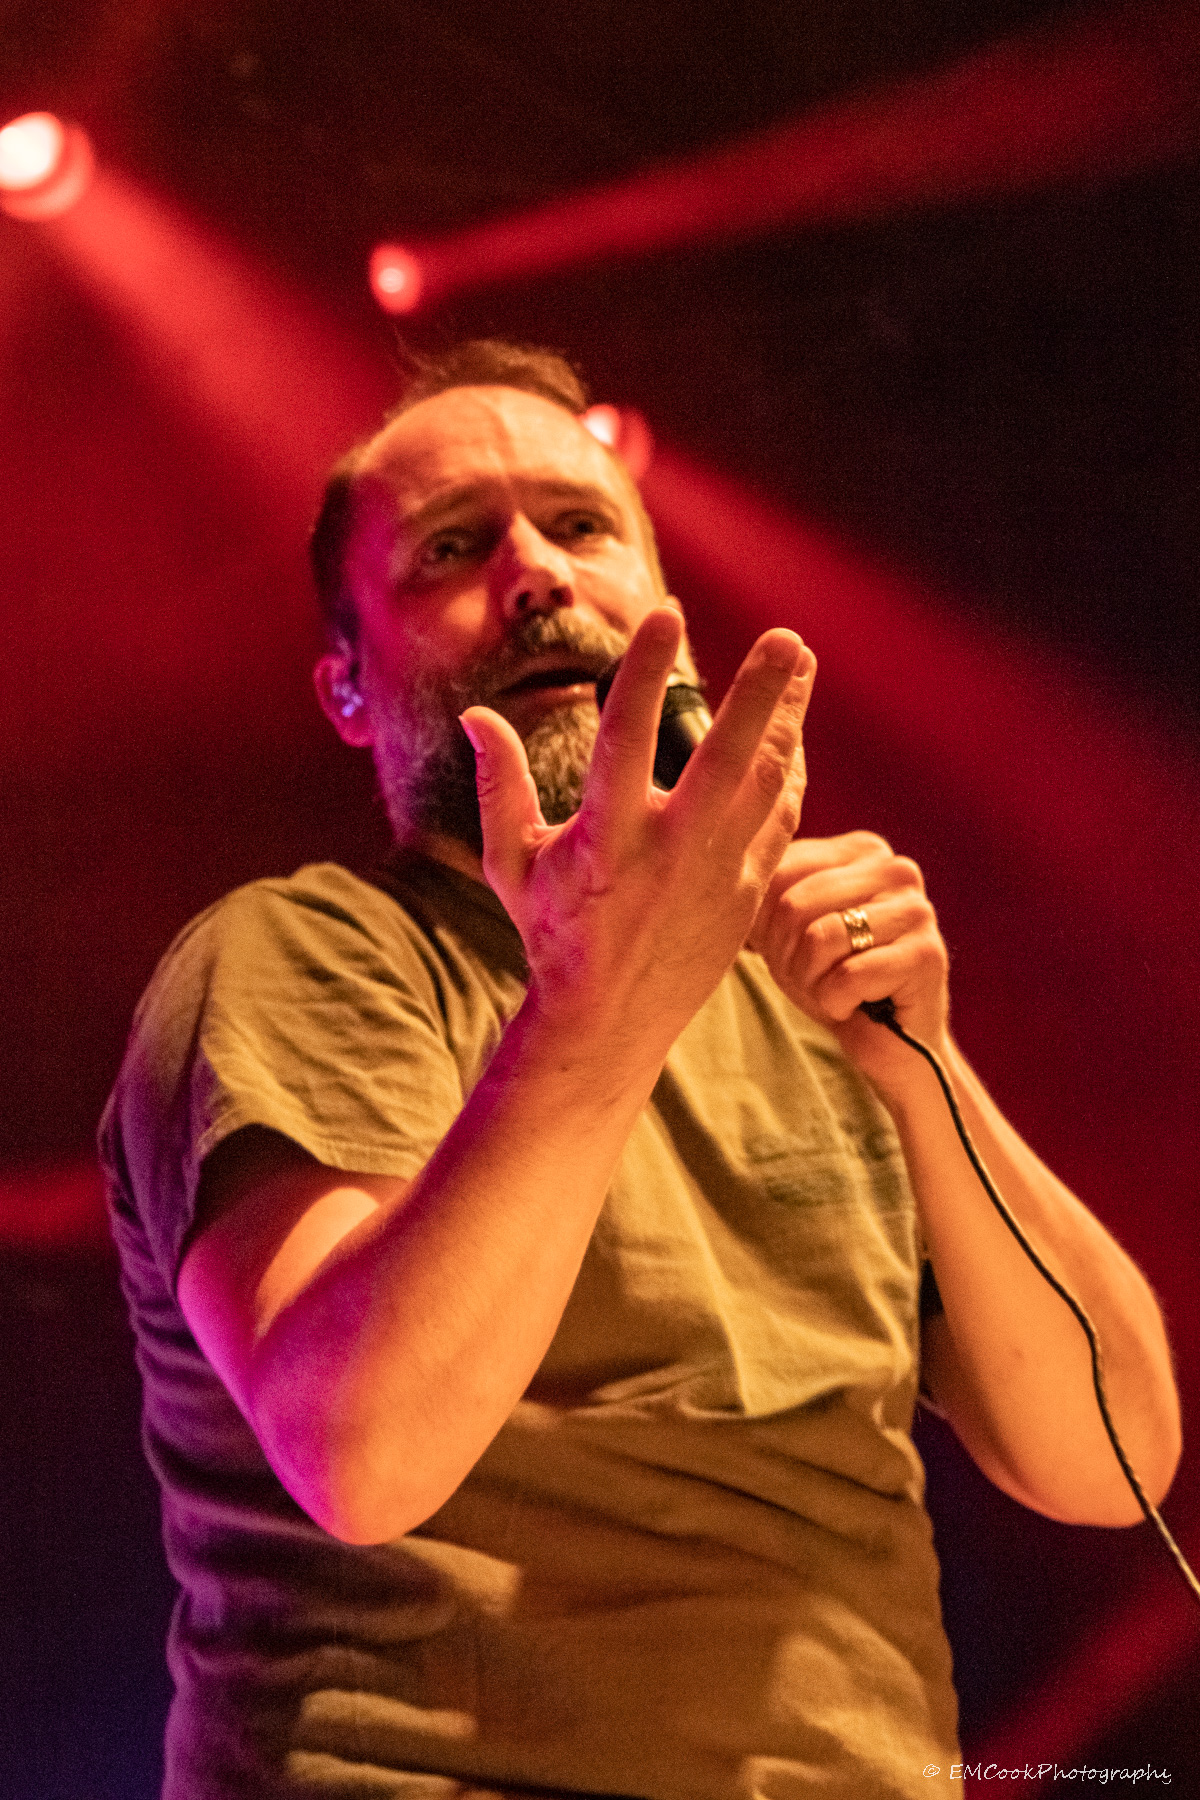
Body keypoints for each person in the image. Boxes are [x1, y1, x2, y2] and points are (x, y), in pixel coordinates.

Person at [101, 340, 1181, 1800]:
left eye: (582, 525)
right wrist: (604, 1010)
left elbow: (1115, 1460)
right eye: (453, 548)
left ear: (664, 611)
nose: (536, 574)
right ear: (347, 687)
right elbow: (359, 1452)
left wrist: (923, 1068)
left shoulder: (806, 993)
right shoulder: (296, 956)